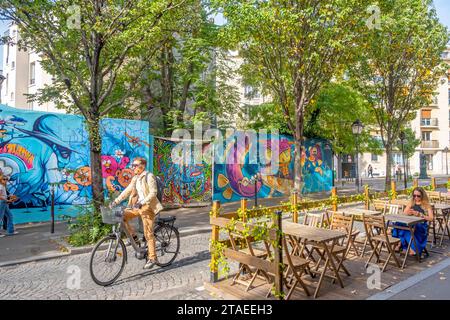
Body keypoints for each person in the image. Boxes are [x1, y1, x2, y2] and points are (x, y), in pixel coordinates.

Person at [110, 157, 163, 269]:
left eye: (135, 165)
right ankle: (134, 239)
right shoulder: (135, 178)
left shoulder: (149, 176)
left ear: (142, 166)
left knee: (148, 233)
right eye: (132, 165)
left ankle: (153, 258)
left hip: (148, 206)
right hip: (138, 206)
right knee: (121, 215)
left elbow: (153, 192)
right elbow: (127, 191)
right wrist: (115, 201)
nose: (133, 167)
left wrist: (142, 202)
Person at [392, 187, 433, 256]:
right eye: (414, 196)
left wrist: (420, 215)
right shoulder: (411, 203)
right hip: (410, 223)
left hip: (421, 226)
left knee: (407, 230)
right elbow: (404, 213)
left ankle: (406, 246)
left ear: (422, 195)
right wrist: (408, 213)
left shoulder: (426, 205)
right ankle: (399, 243)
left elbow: (431, 218)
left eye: (418, 196)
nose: (416, 197)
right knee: (398, 223)